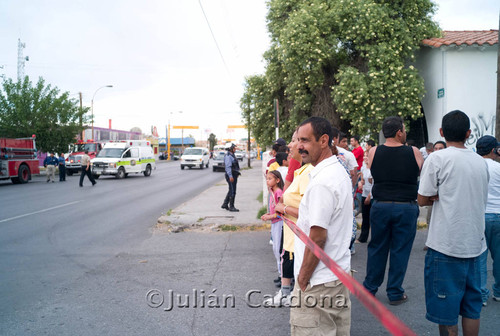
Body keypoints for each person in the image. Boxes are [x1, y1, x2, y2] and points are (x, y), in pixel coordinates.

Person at [418, 111, 489, 336]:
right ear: (469, 134)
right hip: (475, 245)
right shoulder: (481, 161)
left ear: (441, 132)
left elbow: (421, 199)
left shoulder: (437, 158)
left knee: (447, 312)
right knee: (471, 308)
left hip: (445, 245)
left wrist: (437, 194)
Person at [290, 116, 353, 335]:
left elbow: (317, 237)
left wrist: (303, 278)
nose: (300, 146)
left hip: (318, 283)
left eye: (305, 140)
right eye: (298, 140)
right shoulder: (336, 171)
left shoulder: (322, 182)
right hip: (336, 277)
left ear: (324, 140)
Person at [363, 116, 424, 305]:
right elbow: (420, 173)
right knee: (400, 250)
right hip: (405, 207)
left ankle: (369, 289)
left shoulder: (373, 151)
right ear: (399, 132)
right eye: (404, 130)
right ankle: (395, 292)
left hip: (380, 205)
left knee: (377, 248)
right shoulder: (414, 151)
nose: (405, 133)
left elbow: (372, 173)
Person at [269, 130, 314, 307]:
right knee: (288, 259)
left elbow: (308, 211)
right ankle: (289, 293)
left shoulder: (308, 172)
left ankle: (294, 294)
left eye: (296, 140)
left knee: (296, 264)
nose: (290, 144)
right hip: (292, 233)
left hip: (300, 234)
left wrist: (284, 207)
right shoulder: (300, 169)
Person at [476, 135, 500, 306]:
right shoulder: (498, 168)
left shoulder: (474, 166)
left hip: (479, 216)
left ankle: (481, 294)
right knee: (498, 257)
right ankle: (498, 291)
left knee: (480, 258)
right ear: (494, 150)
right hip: (498, 215)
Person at [261, 170, 284, 286]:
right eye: (267, 178)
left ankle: (283, 275)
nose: (267, 181)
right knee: (275, 249)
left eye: (270, 179)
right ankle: (280, 274)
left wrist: (269, 216)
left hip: (279, 222)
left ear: (277, 180)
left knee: (278, 249)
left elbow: (280, 213)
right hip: (274, 223)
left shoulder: (278, 193)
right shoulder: (272, 191)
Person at [357, 152, 373, 243]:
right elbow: (362, 181)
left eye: (367, 156)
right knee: (365, 217)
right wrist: (360, 183)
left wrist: (369, 196)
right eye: (364, 156)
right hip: (364, 194)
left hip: (372, 195)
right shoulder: (363, 168)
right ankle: (363, 238)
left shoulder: (373, 169)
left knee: (373, 218)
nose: (365, 158)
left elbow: (375, 184)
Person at [221, 142, 240, 212]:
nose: (235, 149)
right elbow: (228, 167)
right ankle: (231, 206)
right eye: (234, 148)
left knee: (231, 190)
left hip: (233, 175)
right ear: (230, 148)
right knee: (232, 191)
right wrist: (230, 176)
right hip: (230, 176)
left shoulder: (232, 155)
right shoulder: (228, 156)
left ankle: (225, 204)